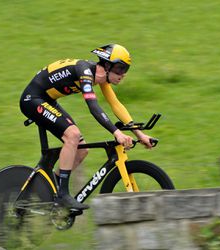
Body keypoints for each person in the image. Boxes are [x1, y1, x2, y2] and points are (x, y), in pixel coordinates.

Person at [20, 44, 153, 210]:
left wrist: (140, 135)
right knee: (73, 135)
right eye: (119, 68)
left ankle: (51, 188)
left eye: (125, 69)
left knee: (82, 150)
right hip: (32, 100)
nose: (123, 74)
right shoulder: (85, 72)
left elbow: (115, 105)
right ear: (106, 65)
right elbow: (94, 107)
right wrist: (117, 133)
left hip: (47, 100)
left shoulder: (101, 78)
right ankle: (63, 195)